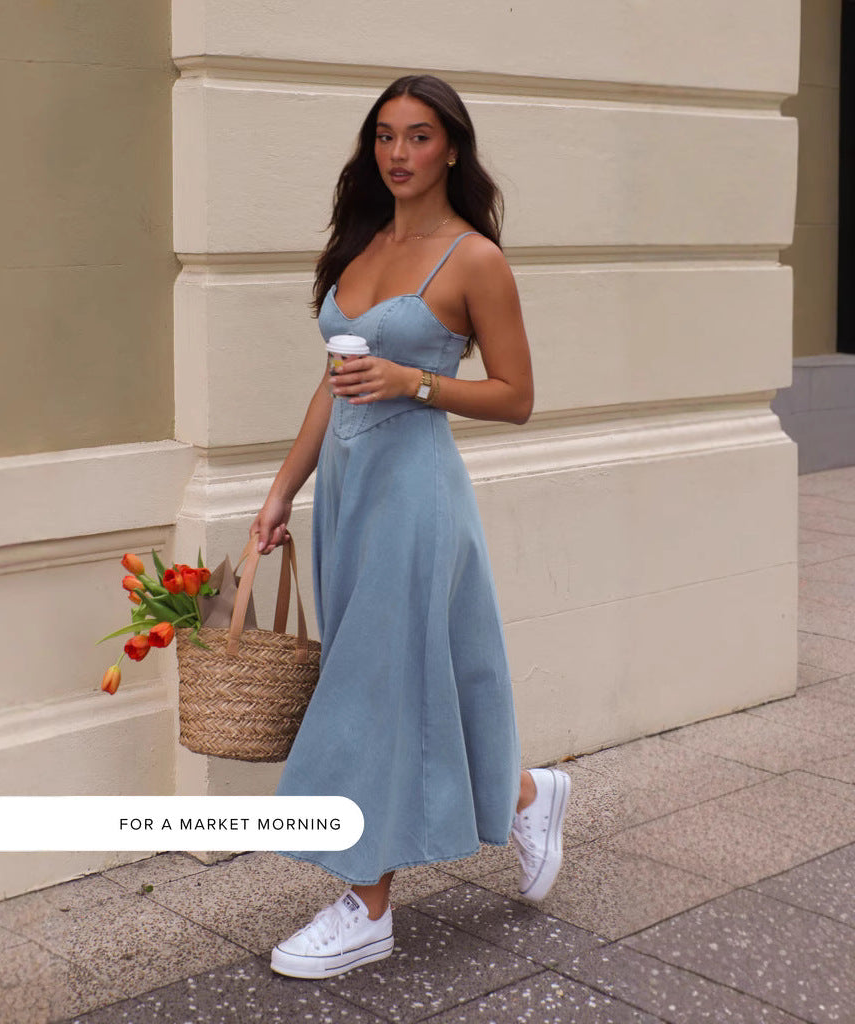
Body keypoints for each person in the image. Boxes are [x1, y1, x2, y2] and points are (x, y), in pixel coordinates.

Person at [249, 74, 571, 980]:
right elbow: (333, 383)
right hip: (348, 497)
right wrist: (282, 491)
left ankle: (366, 904)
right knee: (414, 673)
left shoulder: (474, 260)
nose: (399, 152)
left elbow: (516, 396)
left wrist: (416, 382)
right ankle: (525, 793)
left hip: (416, 497)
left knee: (371, 690)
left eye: (419, 136)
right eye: (385, 135)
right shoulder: (361, 243)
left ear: (452, 149)